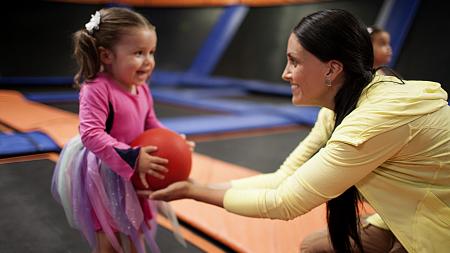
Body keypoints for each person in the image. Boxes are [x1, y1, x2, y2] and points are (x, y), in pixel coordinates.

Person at [146, 9, 450, 253]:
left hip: (437, 227)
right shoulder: (340, 108)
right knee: (312, 246)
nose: (285, 73)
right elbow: (283, 179)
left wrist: (194, 192)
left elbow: (284, 202)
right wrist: (201, 186)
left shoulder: (373, 119)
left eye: (294, 62)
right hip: (401, 216)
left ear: (332, 69)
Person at [51, 7, 193, 253]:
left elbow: (150, 123)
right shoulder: (96, 88)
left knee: (137, 226)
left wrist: (174, 142)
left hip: (137, 170)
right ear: (106, 56)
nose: (148, 61)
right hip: (105, 173)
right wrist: (132, 156)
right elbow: (91, 134)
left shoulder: (142, 88)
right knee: (110, 238)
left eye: (151, 52)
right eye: (138, 53)